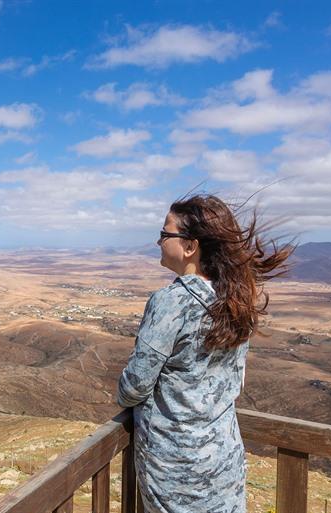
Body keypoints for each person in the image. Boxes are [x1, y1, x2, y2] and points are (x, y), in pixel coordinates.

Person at [116, 193, 294, 513]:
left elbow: (135, 386)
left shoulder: (171, 300)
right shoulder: (234, 299)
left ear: (189, 247)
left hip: (176, 467)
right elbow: (233, 382)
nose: (158, 241)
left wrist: (123, 391)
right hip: (223, 459)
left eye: (164, 234)